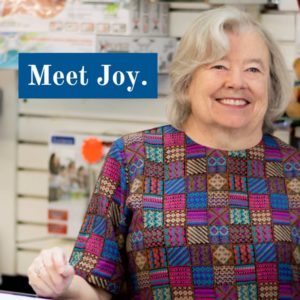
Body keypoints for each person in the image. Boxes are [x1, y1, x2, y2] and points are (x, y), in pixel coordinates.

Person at [28, 6, 300, 299]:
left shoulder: (293, 168)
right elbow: (95, 285)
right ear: (187, 80)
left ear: (270, 85)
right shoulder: (133, 158)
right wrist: (63, 285)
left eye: (253, 69)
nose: (237, 81)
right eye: (219, 65)